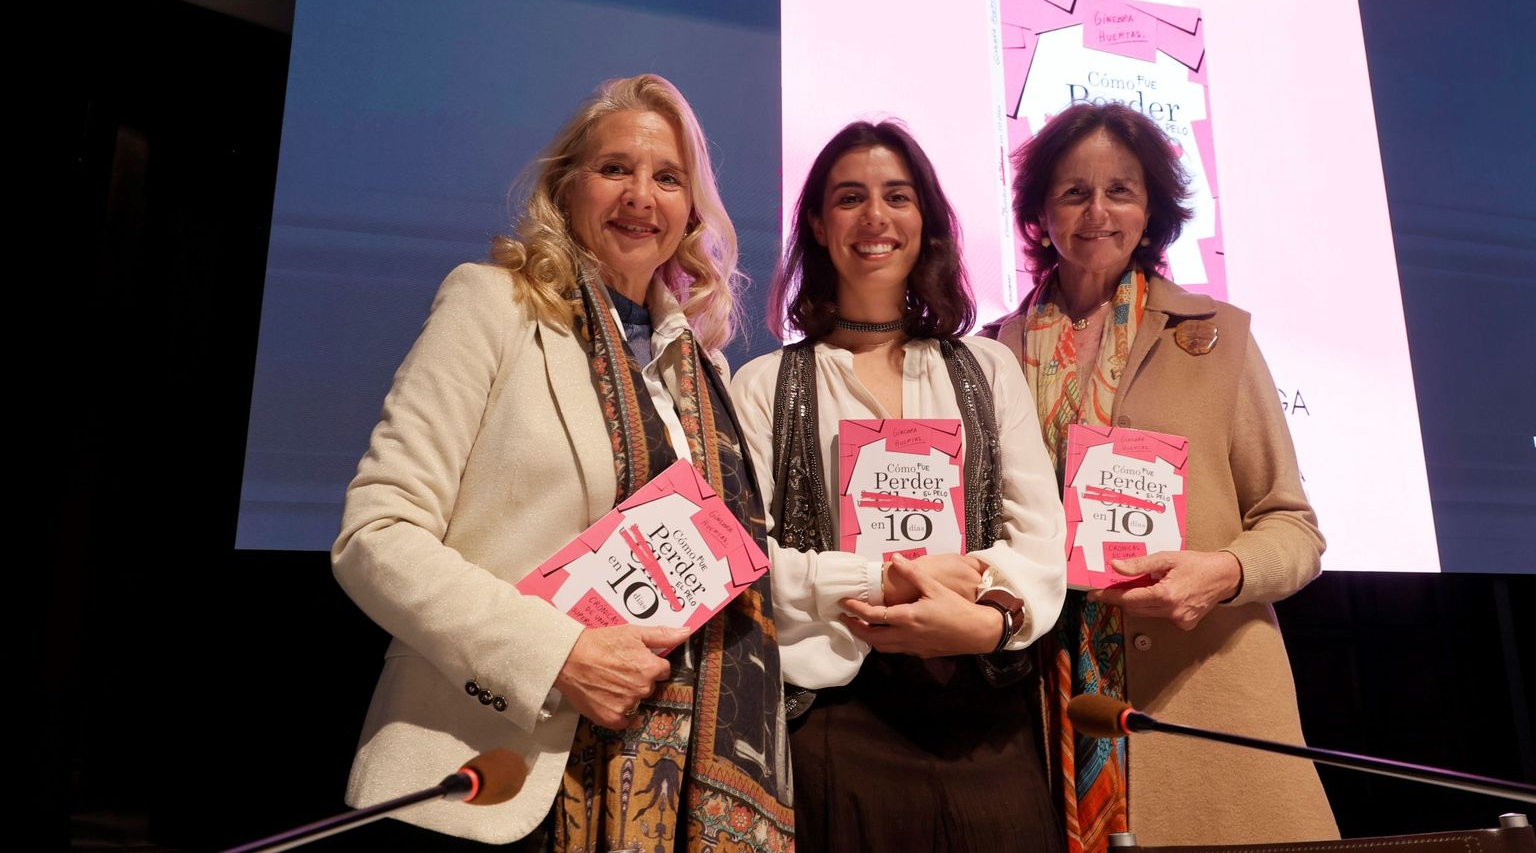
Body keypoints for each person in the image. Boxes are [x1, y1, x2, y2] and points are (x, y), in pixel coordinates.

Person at [331, 75, 794, 852]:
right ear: (565, 187)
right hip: (486, 780)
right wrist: (558, 656)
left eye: (668, 177)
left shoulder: (699, 370)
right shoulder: (493, 305)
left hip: (665, 801)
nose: (641, 196)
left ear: (690, 212)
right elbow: (374, 534)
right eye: (616, 169)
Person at [981, 101, 1337, 850]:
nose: (1098, 211)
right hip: (1038, 703)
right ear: (1041, 210)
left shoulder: (1216, 337)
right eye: (1074, 191)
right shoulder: (989, 353)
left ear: (1154, 209)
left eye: (1122, 190)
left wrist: (1224, 571)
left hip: (1205, 700)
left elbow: (1292, 526)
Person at [731, 120, 1068, 853]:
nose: (875, 217)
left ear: (926, 221)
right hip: (834, 725)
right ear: (817, 224)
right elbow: (747, 562)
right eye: (850, 198)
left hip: (984, 716)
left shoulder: (986, 369)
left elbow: (1041, 542)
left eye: (897, 196)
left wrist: (991, 621)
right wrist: (882, 581)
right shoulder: (763, 385)